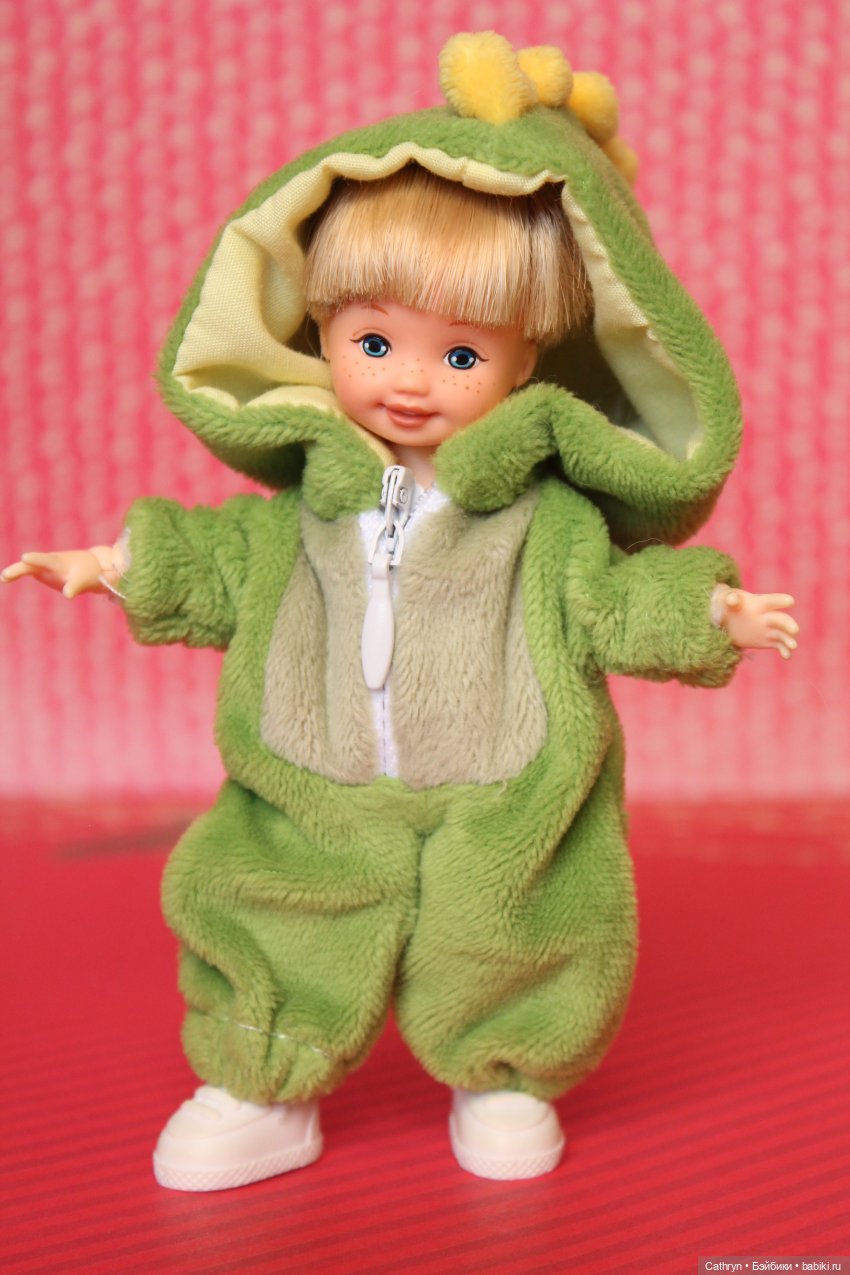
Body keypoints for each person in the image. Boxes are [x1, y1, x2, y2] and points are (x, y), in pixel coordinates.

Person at [2, 33, 798, 1190]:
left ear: (525, 361)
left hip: (505, 784)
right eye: (373, 342)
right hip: (313, 773)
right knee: (271, 897)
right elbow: (226, 562)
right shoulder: (310, 504)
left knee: (517, 915)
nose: (410, 380)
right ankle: (263, 1074)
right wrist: (122, 563)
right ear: (319, 329)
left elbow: (607, 599)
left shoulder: (544, 517)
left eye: (460, 353)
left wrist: (706, 611)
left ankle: (503, 1071)